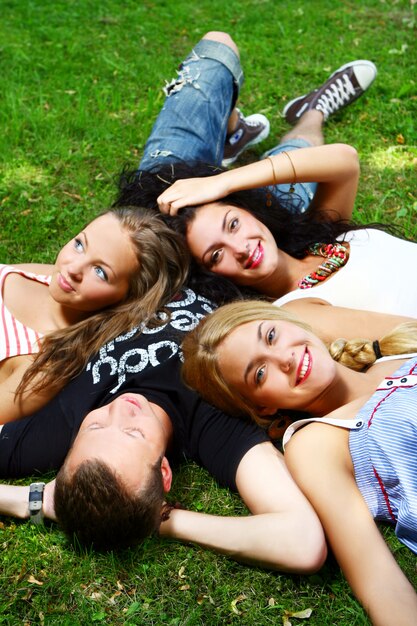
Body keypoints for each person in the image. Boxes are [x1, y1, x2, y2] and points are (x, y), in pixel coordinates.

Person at [0, 287, 326, 574]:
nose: (120, 409)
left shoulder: (57, 428)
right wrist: (165, 520)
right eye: (134, 434)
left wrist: (34, 499)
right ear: (165, 472)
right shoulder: (210, 422)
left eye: (95, 426)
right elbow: (303, 542)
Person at [114, 31, 417, 332]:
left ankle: (255, 126)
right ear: (211, 276)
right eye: (216, 255)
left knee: (217, 48)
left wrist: (222, 183)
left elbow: (344, 162)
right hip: (201, 208)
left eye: (233, 225)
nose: (240, 248)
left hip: (172, 181)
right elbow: (344, 161)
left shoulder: (316, 239)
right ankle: (312, 112)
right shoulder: (292, 312)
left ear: (246, 209)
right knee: (299, 149)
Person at [179, 300, 417, 625]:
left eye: (272, 335)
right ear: (262, 408)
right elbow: (383, 586)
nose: (284, 358)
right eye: (260, 373)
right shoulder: (317, 443)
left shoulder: (403, 349)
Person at [0, 207, 188, 423]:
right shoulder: (47, 276)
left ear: (126, 300)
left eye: (100, 272)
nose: (73, 268)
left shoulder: (44, 366)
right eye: (80, 244)